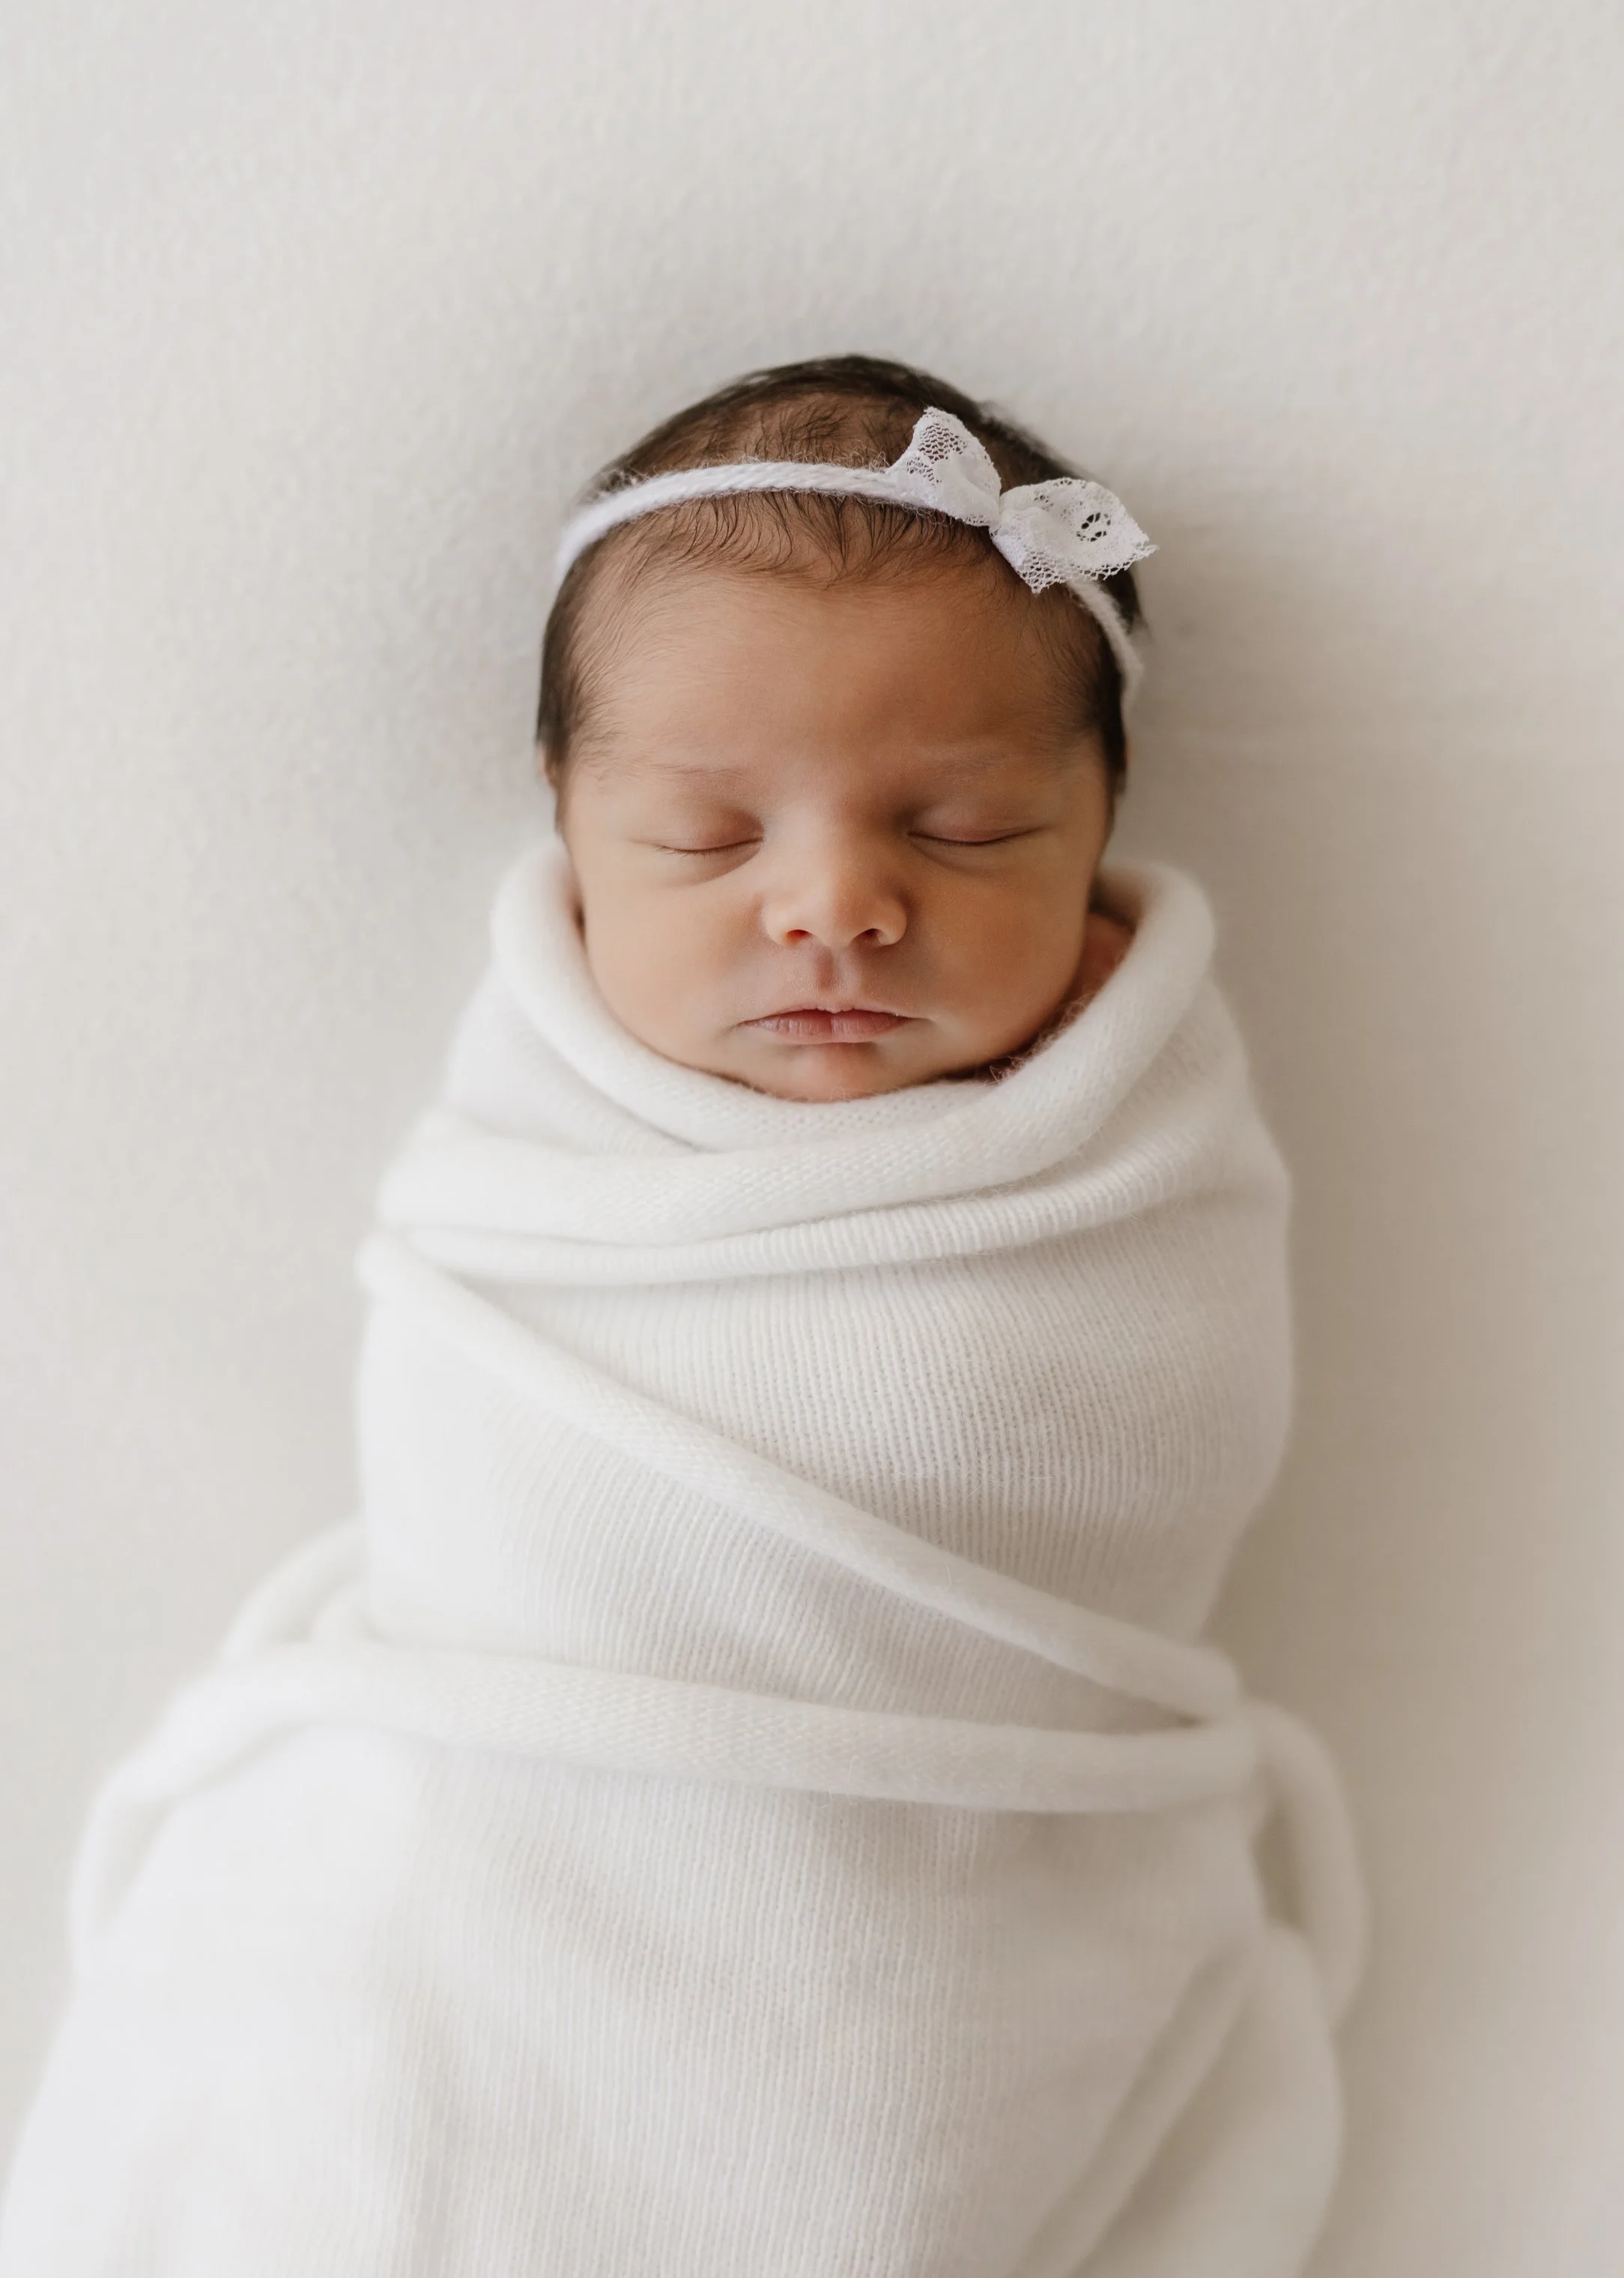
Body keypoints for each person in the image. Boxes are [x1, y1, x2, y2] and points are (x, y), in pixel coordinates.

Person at [0, 354, 1363, 2276]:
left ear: (1099, 817)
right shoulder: (527, 1148)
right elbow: (488, 1494)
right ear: (563, 824)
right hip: (489, 1829)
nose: (834, 903)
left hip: (952, 1929)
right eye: (710, 839)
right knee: (330, 2077)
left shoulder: (1140, 1183)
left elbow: (1148, 1452)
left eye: (960, 828)